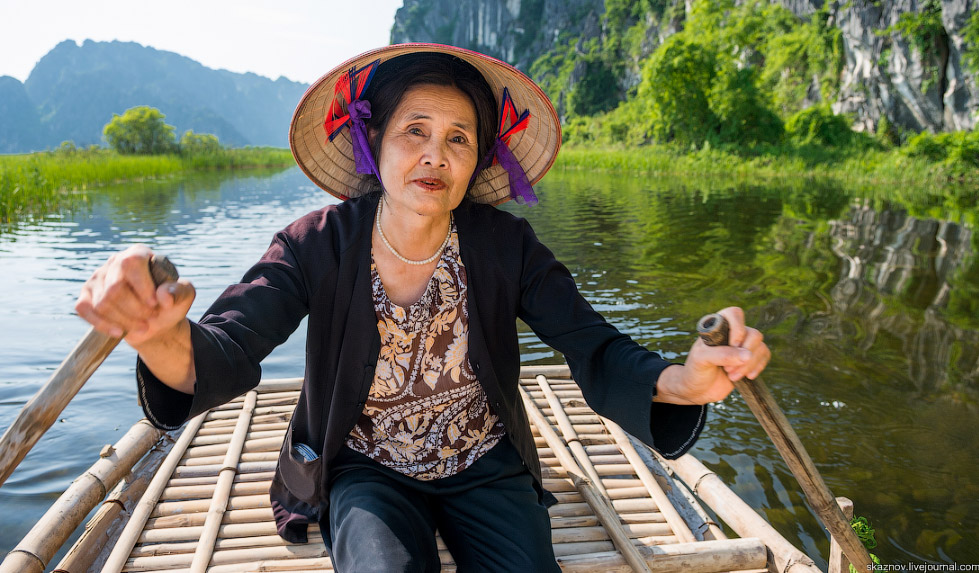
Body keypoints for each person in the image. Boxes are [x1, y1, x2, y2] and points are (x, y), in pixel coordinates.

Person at [75, 44, 770, 572]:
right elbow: (228, 343)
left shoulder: (505, 245)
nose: (435, 154)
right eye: (415, 130)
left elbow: (591, 341)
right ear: (375, 145)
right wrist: (161, 335)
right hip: (365, 464)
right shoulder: (317, 243)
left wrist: (684, 380)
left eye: (458, 138)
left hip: (485, 459)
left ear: (475, 163)